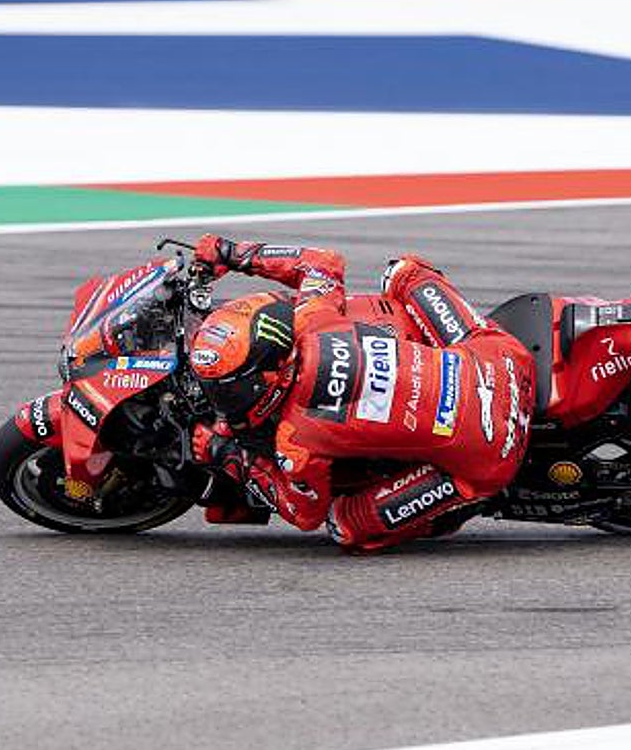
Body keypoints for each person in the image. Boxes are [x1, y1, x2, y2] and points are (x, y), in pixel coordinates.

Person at [186, 233, 536, 551]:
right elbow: (323, 263)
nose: (225, 397)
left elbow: (304, 512)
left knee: (342, 525)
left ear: (270, 376)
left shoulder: (294, 438)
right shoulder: (315, 319)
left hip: (491, 456)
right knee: (402, 272)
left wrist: (226, 453)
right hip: (502, 359)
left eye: (229, 389)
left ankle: (464, 505)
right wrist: (235, 254)